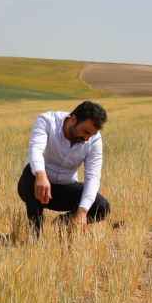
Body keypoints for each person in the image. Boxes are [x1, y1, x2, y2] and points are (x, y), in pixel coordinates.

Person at [17, 101, 111, 236]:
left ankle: (63, 222)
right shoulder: (47, 121)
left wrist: (82, 211)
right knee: (30, 172)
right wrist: (41, 176)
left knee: (102, 207)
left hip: (65, 189)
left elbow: (93, 177)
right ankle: (35, 235)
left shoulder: (93, 140)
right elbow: (35, 150)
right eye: (85, 132)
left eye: (91, 134)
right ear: (73, 119)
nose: (86, 138)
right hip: (35, 188)